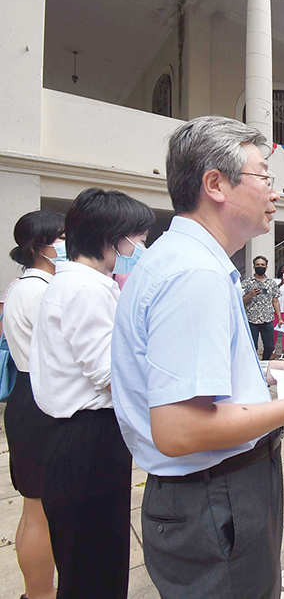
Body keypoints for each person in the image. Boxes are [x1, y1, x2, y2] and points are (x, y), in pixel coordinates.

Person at [111, 116, 284, 598]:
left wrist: (270, 368)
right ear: (215, 184)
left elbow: (182, 373)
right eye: (265, 176)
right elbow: (179, 429)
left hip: (211, 494)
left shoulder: (186, 260)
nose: (274, 193)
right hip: (212, 499)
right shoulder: (192, 273)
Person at [31, 187, 154, 597]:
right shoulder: (86, 289)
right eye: (137, 238)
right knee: (95, 565)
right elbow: (109, 372)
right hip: (88, 440)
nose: (141, 247)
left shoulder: (76, 283)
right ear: (111, 238)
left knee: (86, 560)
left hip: (74, 436)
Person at [4, 211, 65, 599]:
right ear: (39, 245)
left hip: (26, 396)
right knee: (41, 511)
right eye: (61, 237)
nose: (65, 244)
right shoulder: (43, 292)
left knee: (34, 506)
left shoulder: (18, 288)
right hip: (42, 398)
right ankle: (40, 593)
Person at [242, 256, 281, 361]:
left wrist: (280, 318)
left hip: (267, 318)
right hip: (251, 320)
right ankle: (253, 366)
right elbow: (240, 301)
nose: (260, 267)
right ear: (254, 266)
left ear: (266, 267)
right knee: (252, 347)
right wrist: (250, 295)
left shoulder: (271, 283)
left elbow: (275, 300)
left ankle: (265, 363)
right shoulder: (246, 282)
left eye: (262, 265)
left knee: (269, 346)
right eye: (258, 265)